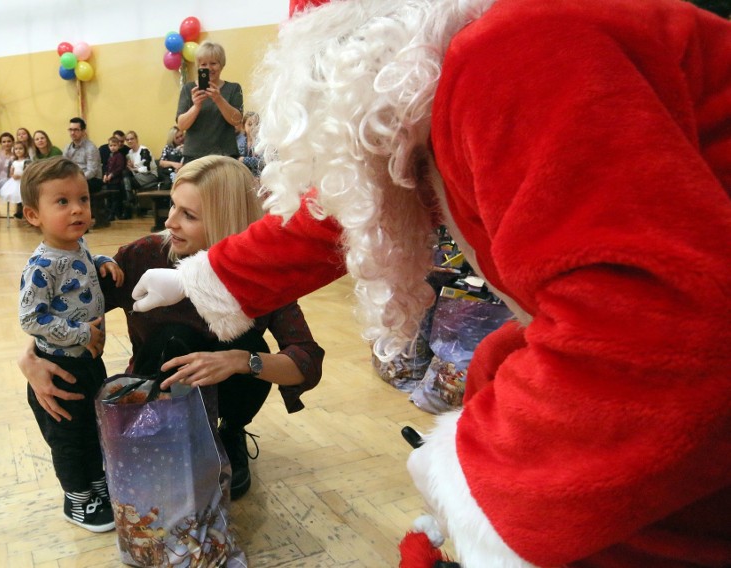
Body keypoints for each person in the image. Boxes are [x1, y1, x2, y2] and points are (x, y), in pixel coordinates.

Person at [130, 1, 731, 566]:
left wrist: (490, 481)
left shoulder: (515, 54)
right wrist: (203, 276)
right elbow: (347, 210)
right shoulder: (436, 85)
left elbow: (651, 329)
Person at [19, 155, 324, 501]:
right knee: (171, 338)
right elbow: (69, 308)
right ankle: (161, 431)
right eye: (172, 207)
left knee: (253, 346)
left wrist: (241, 361)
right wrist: (30, 356)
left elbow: (306, 361)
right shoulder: (145, 255)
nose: (169, 222)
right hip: (154, 391)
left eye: (188, 215)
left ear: (227, 221)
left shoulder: (263, 272)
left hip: (226, 393)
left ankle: (229, 432)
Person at [18, 156, 124, 532]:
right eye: (62, 202)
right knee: (69, 438)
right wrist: (82, 335)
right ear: (34, 216)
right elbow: (31, 318)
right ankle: (76, 499)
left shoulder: (77, 247)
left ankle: (96, 484)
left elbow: (83, 266)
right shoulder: (41, 266)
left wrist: (103, 261)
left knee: (92, 428)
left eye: (83, 198)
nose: (78, 208)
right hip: (60, 371)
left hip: (88, 364)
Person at [176, 42, 243, 163]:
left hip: (225, 155)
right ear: (198, 67)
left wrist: (219, 99)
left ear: (221, 65)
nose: (209, 68)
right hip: (194, 156)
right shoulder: (188, 89)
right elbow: (181, 125)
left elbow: (237, 121)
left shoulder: (233, 88)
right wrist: (196, 106)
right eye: (203, 64)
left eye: (213, 63)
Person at [64, 117, 105, 228]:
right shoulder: (68, 147)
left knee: (74, 189)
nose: (73, 133)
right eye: (70, 130)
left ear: (83, 131)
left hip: (93, 180)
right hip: (74, 178)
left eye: (76, 130)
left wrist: (76, 179)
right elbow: (64, 165)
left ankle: (81, 222)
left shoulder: (90, 148)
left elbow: (92, 171)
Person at [0, 142, 32, 217]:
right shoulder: (14, 162)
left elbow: (29, 172)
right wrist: (13, 175)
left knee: (23, 196)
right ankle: (19, 211)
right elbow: (11, 173)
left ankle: (25, 213)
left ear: (25, 150)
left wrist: (20, 176)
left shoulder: (27, 161)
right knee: (17, 195)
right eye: (16, 149)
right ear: (14, 151)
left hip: (24, 181)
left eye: (20, 148)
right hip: (15, 182)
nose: (18, 151)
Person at [237, 112, 263, 178]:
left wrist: (244, 160)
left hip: (259, 177)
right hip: (242, 177)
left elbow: (262, 162)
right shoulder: (239, 142)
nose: (253, 127)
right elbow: (236, 159)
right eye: (250, 124)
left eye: (256, 124)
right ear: (243, 126)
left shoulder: (262, 143)